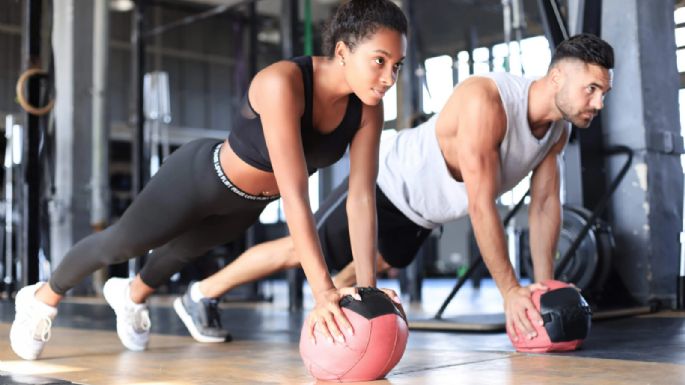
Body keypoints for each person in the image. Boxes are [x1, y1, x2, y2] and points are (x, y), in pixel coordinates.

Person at [9, 0, 408, 360]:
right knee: (122, 244)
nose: (389, 77)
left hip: (247, 204)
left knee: (183, 253)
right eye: (380, 60)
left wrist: (367, 292)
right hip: (201, 177)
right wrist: (323, 292)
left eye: (397, 65)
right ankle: (42, 299)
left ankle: (131, 297)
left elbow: (360, 198)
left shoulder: (367, 110)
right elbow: (295, 193)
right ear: (342, 51)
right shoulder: (282, 83)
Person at [172, 33, 614, 345]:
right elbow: (482, 204)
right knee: (297, 250)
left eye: (603, 92)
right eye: (591, 88)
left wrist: (540, 285)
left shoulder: (557, 133)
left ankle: (337, 333)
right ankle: (202, 293)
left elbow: (543, 207)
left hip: (424, 215)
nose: (598, 102)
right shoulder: (489, 101)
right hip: (386, 186)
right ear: (557, 77)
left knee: (364, 281)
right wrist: (510, 292)